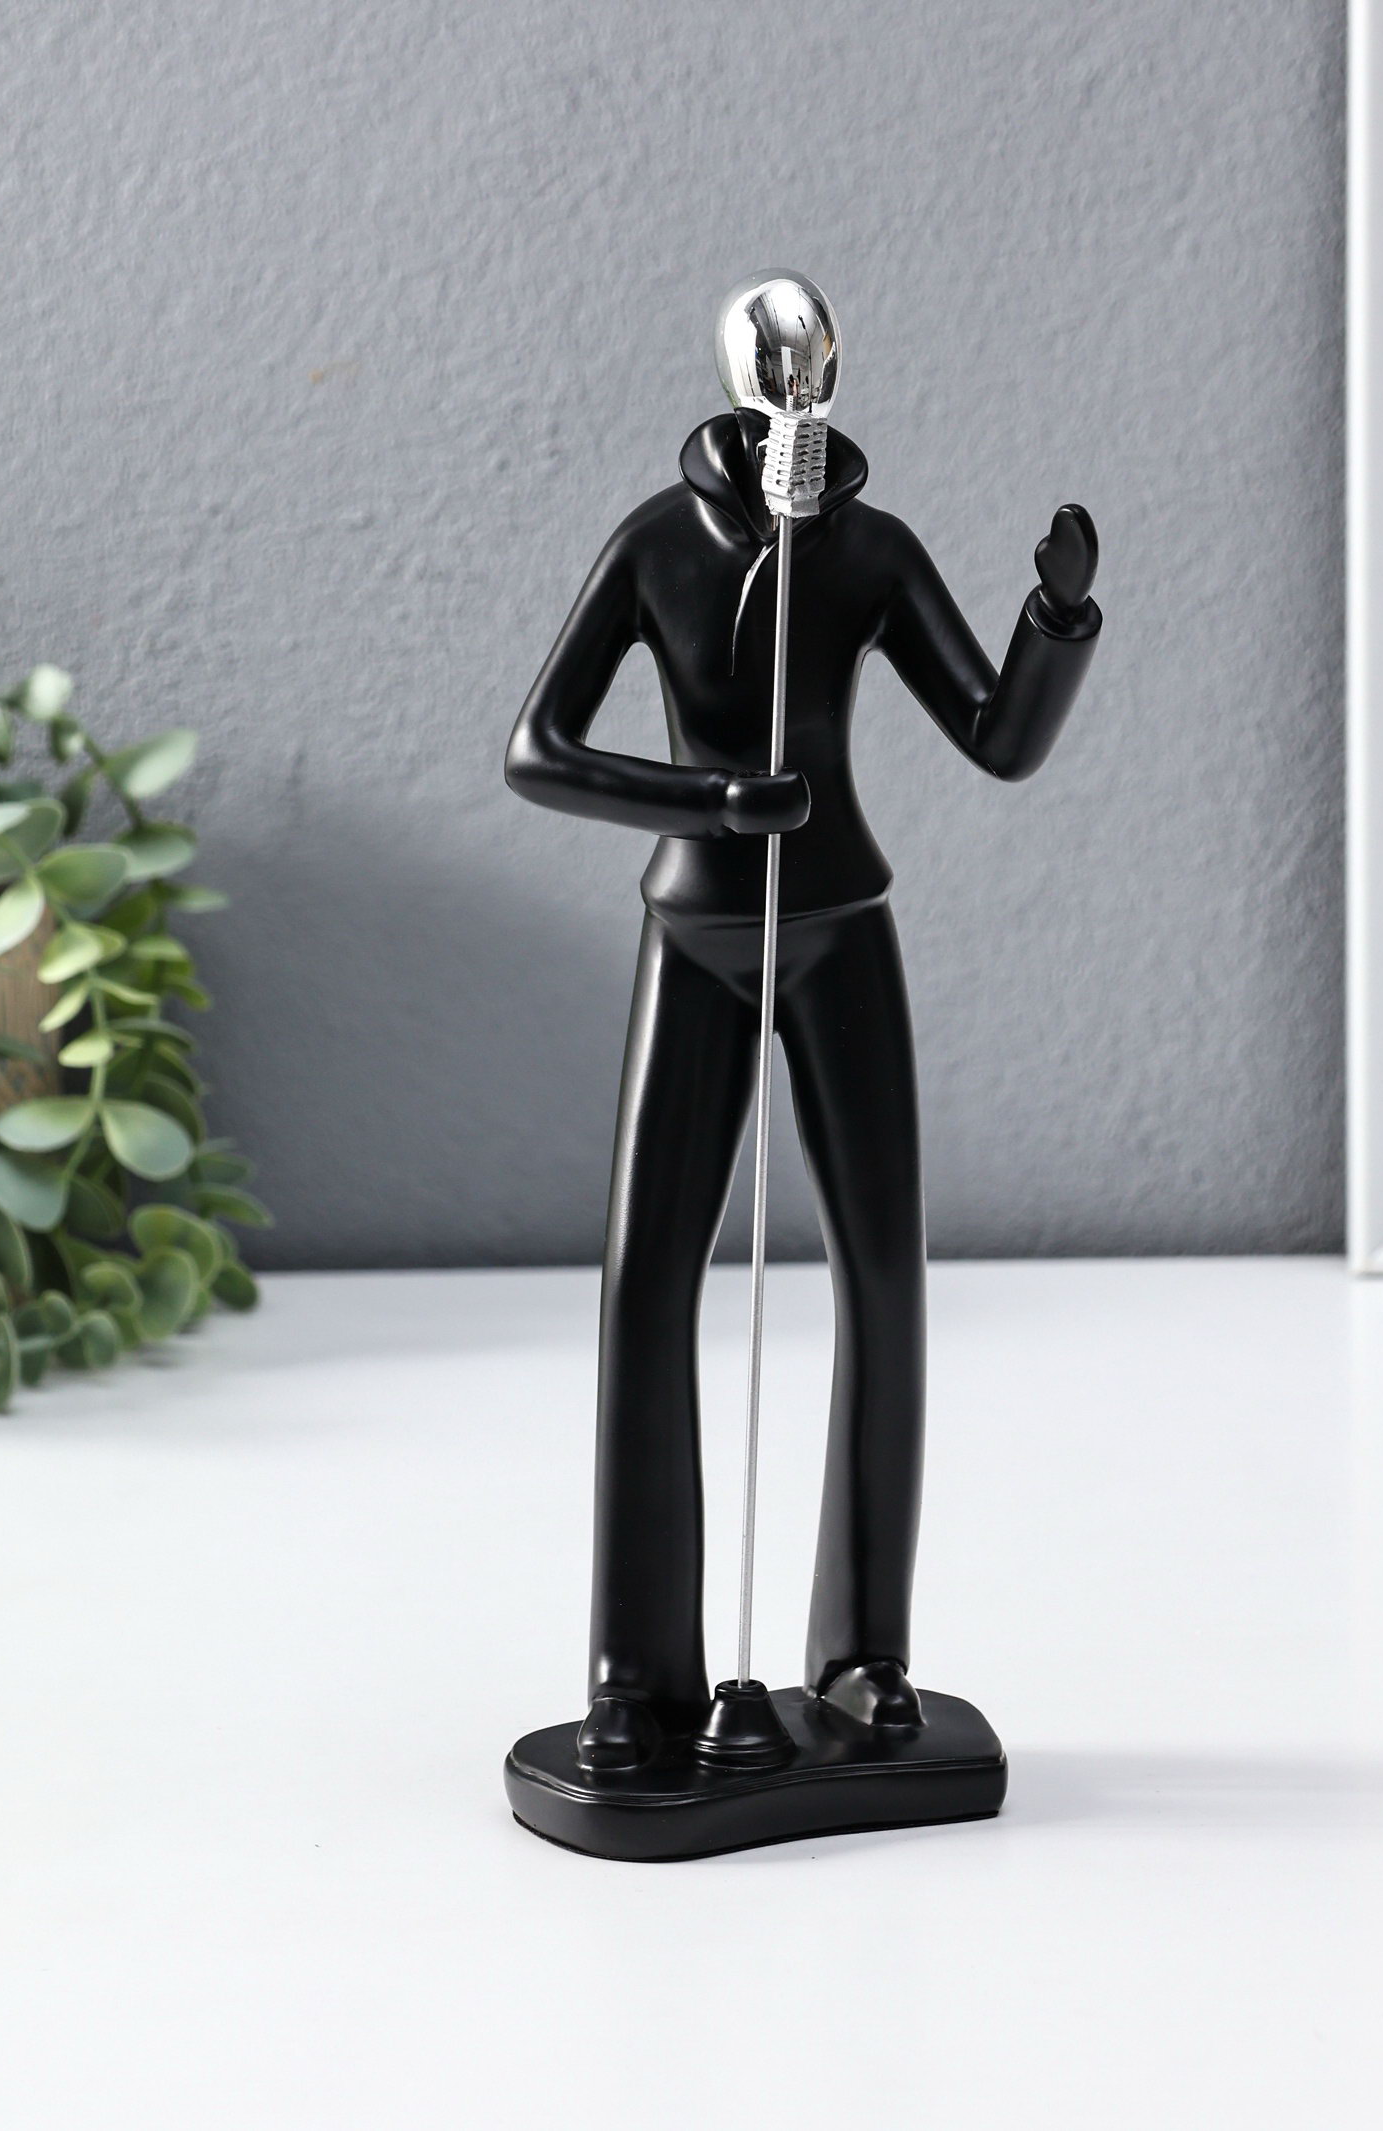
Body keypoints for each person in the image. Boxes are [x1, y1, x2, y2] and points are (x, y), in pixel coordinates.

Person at [506, 378, 1101, 1771]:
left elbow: (1000, 741)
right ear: (744, 398)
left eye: (812, 393)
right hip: (698, 933)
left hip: (839, 929)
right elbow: (539, 754)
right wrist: (711, 803)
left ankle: (863, 1658)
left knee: (883, 1279)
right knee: (646, 1286)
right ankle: (638, 1678)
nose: (795, 416)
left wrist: (1057, 621)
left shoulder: (872, 550)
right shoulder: (657, 544)